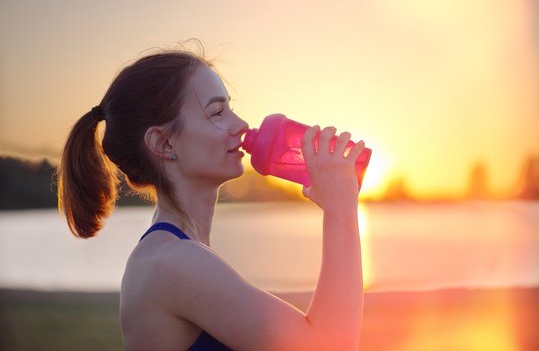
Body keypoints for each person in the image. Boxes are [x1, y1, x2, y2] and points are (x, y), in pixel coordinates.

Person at [58, 48, 365, 350]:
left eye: (230, 108)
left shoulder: (179, 254)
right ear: (163, 143)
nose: (241, 125)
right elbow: (329, 344)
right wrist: (341, 210)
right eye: (218, 112)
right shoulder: (172, 263)